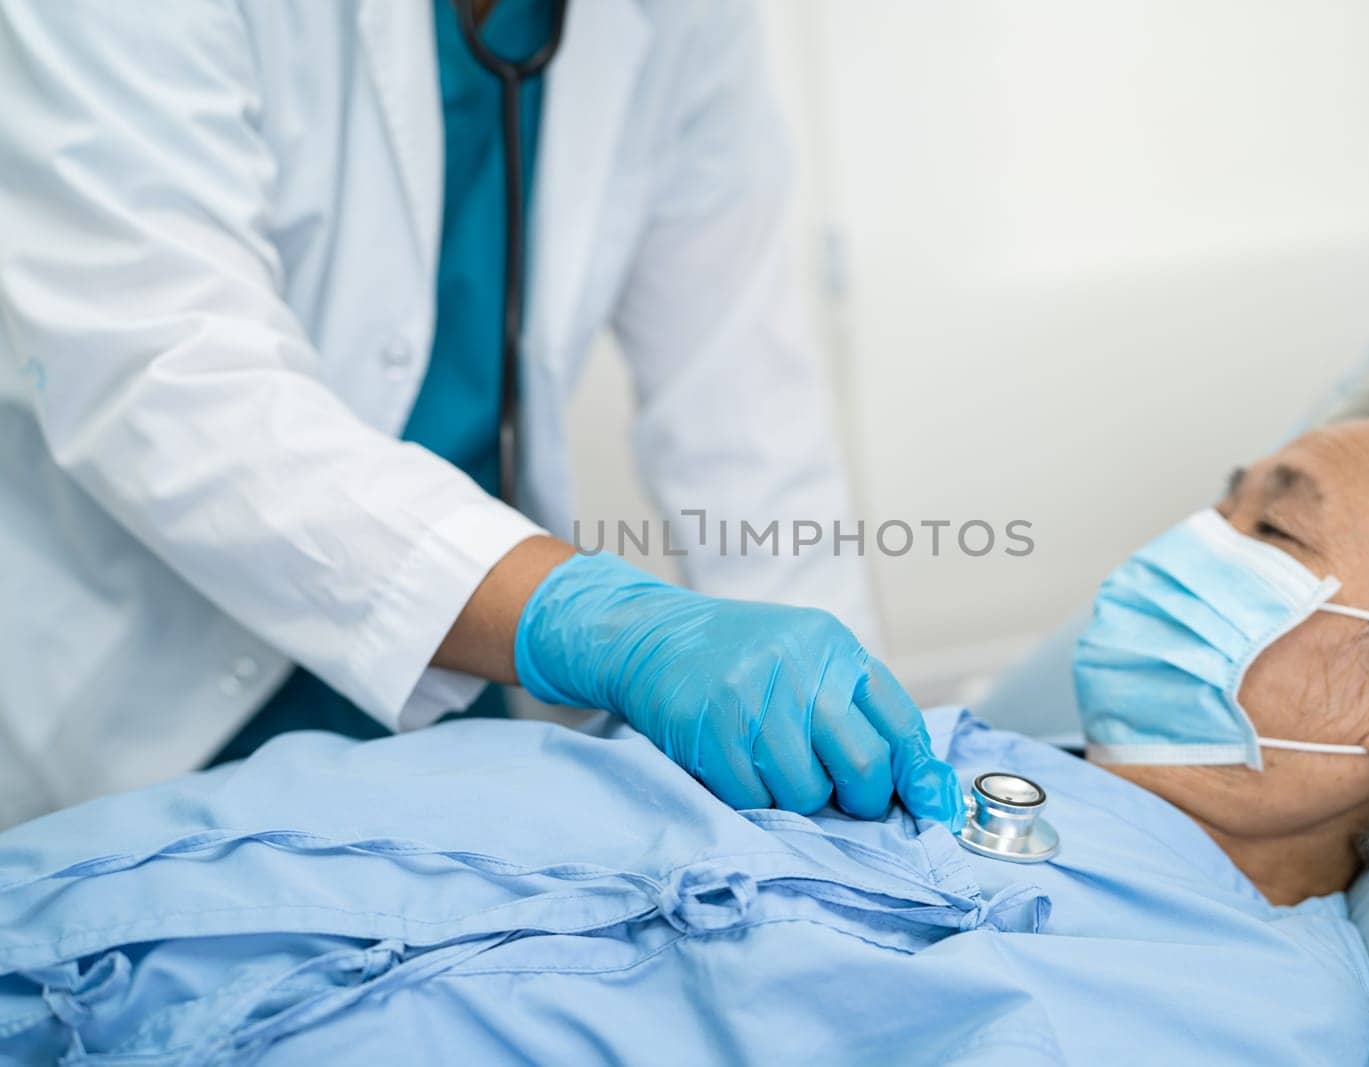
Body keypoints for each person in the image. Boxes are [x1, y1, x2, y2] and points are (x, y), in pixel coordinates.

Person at [4, 324, 1369, 1063]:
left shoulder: (1245, 1018)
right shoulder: (884, 735)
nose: (1190, 544)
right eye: (1218, 495)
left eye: (1271, 527)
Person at [0, 0, 962, 832]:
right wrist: (594, 619)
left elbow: (747, 401)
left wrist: (843, 755)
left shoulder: (681, 20)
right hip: (131, 707)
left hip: (454, 700)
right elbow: (171, 376)